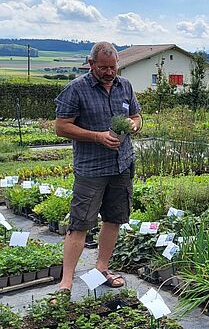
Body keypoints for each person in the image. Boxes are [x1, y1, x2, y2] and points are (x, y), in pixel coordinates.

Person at [52, 41, 142, 300]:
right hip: (91, 169)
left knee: (114, 219)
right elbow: (62, 127)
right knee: (80, 223)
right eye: (103, 67)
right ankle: (66, 281)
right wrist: (98, 136)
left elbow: (137, 117)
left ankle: (102, 268)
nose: (109, 72)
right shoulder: (76, 89)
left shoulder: (125, 86)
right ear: (91, 64)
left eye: (113, 67)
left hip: (121, 165)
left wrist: (133, 126)